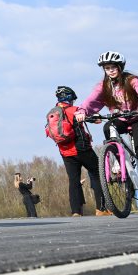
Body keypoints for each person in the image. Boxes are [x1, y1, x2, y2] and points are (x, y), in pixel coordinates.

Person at [75, 51, 138, 205]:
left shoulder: (132, 81)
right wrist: (82, 112)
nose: (110, 71)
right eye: (107, 68)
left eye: (113, 67)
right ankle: (117, 161)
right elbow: (91, 101)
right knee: (108, 126)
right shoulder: (103, 86)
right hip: (120, 119)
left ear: (120, 67)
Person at [48, 86, 107, 216]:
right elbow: (92, 118)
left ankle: (76, 211)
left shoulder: (52, 113)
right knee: (98, 172)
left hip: (65, 152)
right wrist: (97, 118)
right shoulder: (73, 110)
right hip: (81, 148)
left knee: (74, 180)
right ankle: (101, 209)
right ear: (70, 98)